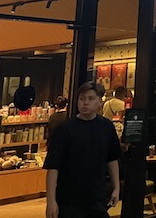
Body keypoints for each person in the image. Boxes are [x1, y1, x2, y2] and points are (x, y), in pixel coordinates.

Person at [45, 81, 121, 218]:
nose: (85, 103)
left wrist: (116, 188)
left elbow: (112, 159)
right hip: (69, 199)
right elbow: (52, 167)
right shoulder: (64, 129)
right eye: (82, 99)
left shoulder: (107, 127)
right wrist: (51, 201)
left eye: (91, 99)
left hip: (97, 196)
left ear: (99, 101)